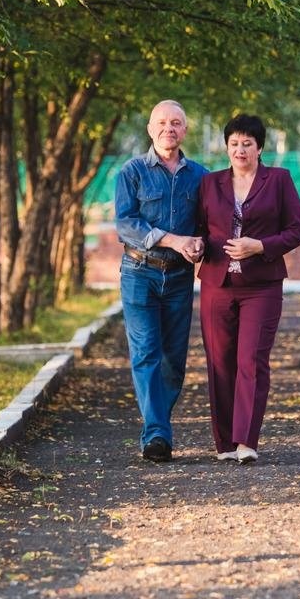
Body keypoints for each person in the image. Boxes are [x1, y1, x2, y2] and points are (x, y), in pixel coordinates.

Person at [197, 113, 300, 464]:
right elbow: (199, 228)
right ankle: (225, 444)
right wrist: (195, 247)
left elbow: (297, 230)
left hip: (262, 285)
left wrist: (259, 246)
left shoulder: (278, 180)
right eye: (234, 144)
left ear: (260, 147)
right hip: (218, 283)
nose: (240, 149)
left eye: (247, 143)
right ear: (226, 147)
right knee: (220, 362)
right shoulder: (209, 183)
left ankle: (246, 441)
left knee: (251, 360)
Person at [115, 99, 207, 463]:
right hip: (140, 273)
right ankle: (156, 434)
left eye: (176, 123)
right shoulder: (132, 171)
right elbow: (126, 223)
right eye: (162, 123)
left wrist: (199, 244)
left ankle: (158, 426)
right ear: (150, 130)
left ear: (185, 131)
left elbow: (207, 224)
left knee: (173, 360)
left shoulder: (199, 176)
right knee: (146, 353)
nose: (169, 128)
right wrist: (173, 239)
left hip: (180, 276)